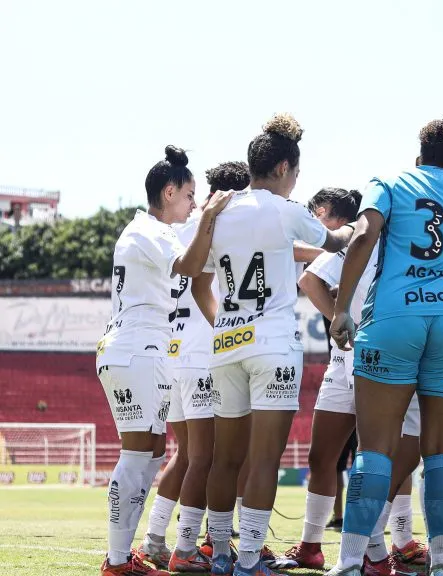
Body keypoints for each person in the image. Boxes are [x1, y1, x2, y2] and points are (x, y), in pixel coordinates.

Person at [327, 113, 443, 576]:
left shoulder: (390, 183)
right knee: (441, 452)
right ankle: (441, 563)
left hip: (395, 318)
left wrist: (341, 309)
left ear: (419, 155)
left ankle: (351, 562)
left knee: (375, 449)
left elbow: (363, 236)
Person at [203, 114, 354, 576]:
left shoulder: (221, 209)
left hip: (227, 340)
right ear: (285, 167)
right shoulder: (283, 209)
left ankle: (219, 555)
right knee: (265, 459)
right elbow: (334, 240)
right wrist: (362, 227)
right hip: (271, 343)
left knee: (224, 459)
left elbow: (201, 276)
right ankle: (248, 559)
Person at [97, 146, 234, 576]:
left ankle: (127, 555)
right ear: (169, 191)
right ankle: (118, 561)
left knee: (153, 453)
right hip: (137, 348)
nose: (194, 203)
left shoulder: (148, 230)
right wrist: (211, 217)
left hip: (140, 348)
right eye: (190, 195)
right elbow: (192, 266)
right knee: (139, 455)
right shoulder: (150, 232)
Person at [137, 162, 251, 573]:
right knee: (206, 457)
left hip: (174, 356)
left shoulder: (180, 229)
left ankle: (154, 538)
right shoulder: (220, 230)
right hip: (203, 356)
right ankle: (187, 548)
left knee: (187, 456)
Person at [270, 188, 364, 571]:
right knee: (324, 457)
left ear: (328, 215)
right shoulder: (355, 242)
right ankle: (312, 546)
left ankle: (379, 547)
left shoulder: (352, 242)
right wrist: (338, 320)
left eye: (315, 215)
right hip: (345, 358)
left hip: (369, 358)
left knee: (370, 458)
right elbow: (309, 280)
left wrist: (338, 320)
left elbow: (307, 280)